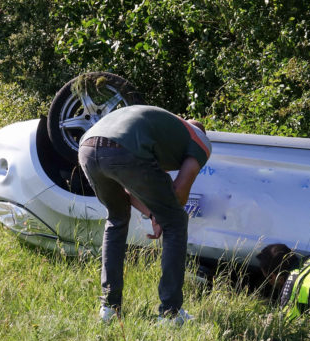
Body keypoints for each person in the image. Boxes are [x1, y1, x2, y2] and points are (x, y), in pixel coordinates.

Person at [78, 105, 211, 324]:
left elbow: (133, 186)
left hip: (87, 147)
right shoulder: (199, 141)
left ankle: (109, 307)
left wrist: (153, 214)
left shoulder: (160, 128)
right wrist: (164, 213)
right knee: (176, 222)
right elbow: (178, 195)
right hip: (124, 150)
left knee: (117, 217)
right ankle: (170, 313)